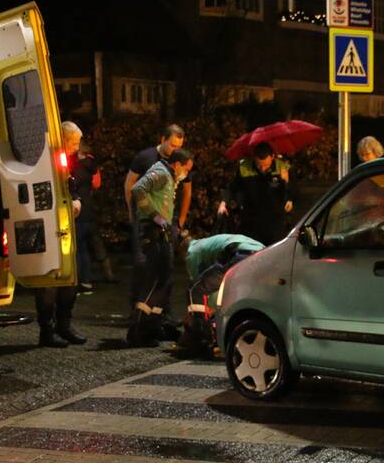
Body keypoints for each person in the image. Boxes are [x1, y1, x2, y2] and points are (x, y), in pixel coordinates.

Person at [125, 124, 189, 337]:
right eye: (186, 168)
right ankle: (139, 327)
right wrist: (155, 217)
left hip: (161, 230)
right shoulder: (161, 172)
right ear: (178, 164)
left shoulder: (169, 175)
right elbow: (136, 189)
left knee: (165, 278)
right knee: (153, 278)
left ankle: (154, 323)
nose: (187, 173)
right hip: (152, 231)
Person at [36, 122, 88, 348]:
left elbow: (70, 185)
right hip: (49, 226)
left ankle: (64, 325)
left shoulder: (63, 161)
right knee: (50, 281)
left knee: (69, 278)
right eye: (74, 143)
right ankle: (47, 330)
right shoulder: (44, 160)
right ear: (64, 140)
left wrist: (76, 200)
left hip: (65, 227)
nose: (77, 148)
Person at [176, 233, 264, 358]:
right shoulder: (207, 244)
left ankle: (202, 340)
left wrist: (191, 315)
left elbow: (197, 285)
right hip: (262, 255)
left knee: (195, 290)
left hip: (241, 255)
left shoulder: (191, 251)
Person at [217, 142, 293, 246]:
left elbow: (290, 193)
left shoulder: (282, 168)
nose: (262, 169)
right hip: (251, 221)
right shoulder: (244, 168)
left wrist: (286, 185)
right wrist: (223, 203)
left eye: (266, 165)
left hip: (274, 221)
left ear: (272, 157)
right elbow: (232, 188)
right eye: (259, 165)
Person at [70, 139, 114, 290]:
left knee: (78, 247)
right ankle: (88, 279)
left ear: (80, 152)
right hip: (90, 211)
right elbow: (96, 185)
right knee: (88, 247)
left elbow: (71, 185)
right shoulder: (91, 167)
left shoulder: (78, 168)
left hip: (80, 212)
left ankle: (79, 279)